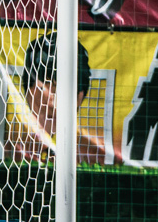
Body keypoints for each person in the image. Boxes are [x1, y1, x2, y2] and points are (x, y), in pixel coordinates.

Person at [11, 33, 95, 162]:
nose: (53, 94)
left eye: (64, 85)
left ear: (80, 95)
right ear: (28, 90)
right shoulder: (9, 141)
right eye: (46, 83)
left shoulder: (88, 150)